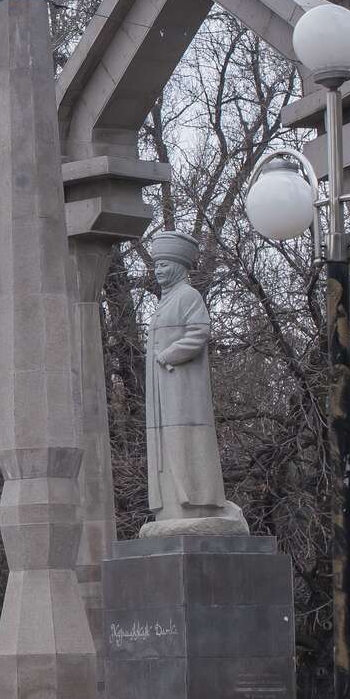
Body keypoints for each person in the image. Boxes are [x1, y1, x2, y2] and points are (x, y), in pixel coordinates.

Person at [143, 229, 246, 535]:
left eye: (163, 265)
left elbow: (199, 332)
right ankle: (172, 505)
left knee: (185, 444)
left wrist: (169, 355)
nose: (158, 271)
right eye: (156, 265)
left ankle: (195, 502)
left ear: (176, 265)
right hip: (163, 391)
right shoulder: (165, 301)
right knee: (165, 447)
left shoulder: (188, 296)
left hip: (183, 392)